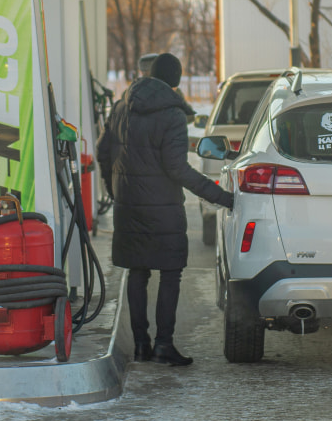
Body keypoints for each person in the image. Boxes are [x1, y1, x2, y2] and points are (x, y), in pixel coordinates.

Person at [96, 53, 234, 366]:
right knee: (170, 274)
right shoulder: (171, 116)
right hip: (163, 210)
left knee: (137, 271)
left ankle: (141, 344)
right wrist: (221, 196)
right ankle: (163, 344)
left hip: (128, 206)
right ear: (175, 82)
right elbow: (177, 168)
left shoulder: (120, 108)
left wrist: (115, 189)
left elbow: (103, 153)